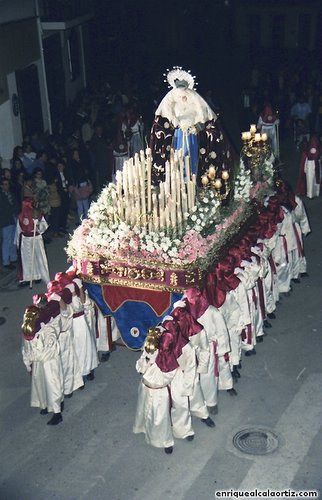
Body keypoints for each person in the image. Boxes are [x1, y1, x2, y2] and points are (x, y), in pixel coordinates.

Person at [150, 67, 234, 183]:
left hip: (191, 131)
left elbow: (202, 110)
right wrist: (174, 120)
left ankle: (192, 177)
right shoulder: (171, 95)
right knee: (178, 154)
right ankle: (178, 179)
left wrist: (198, 124)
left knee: (191, 153)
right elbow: (166, 107)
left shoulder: (193, 95)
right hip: (179, 131)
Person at [21, 299, 64, 425]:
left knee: (53, 385)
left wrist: (36, 356)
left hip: (49, 363)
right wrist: (28, 363)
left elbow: (52, 349)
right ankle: (44, 404)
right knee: (40, 385)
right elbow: (26, 349)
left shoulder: (48, 329)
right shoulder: (27, 331)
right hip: (38, 363)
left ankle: (57, 412)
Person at [15, 199, 50, 287]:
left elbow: (18, 230)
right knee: (29, 259)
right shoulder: (21, 216)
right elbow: (19, 228)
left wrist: (37, 225)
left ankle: (39, 275)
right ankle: (29, 277)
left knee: (37, 258)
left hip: (35, 238)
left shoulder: (36, 213)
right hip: (27, 239)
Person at [0, 177, 20, 270]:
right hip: (6, 220)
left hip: (13, 218)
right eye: (4, 184)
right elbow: (3, 208)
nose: (6, 186)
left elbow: (16, 204)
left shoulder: (10, 194)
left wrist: (15, 211)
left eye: (7, 184)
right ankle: (6, 261)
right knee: (7, 240)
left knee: (13, 239)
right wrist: (12, 210)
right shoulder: (1, 196)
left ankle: (13, 257)